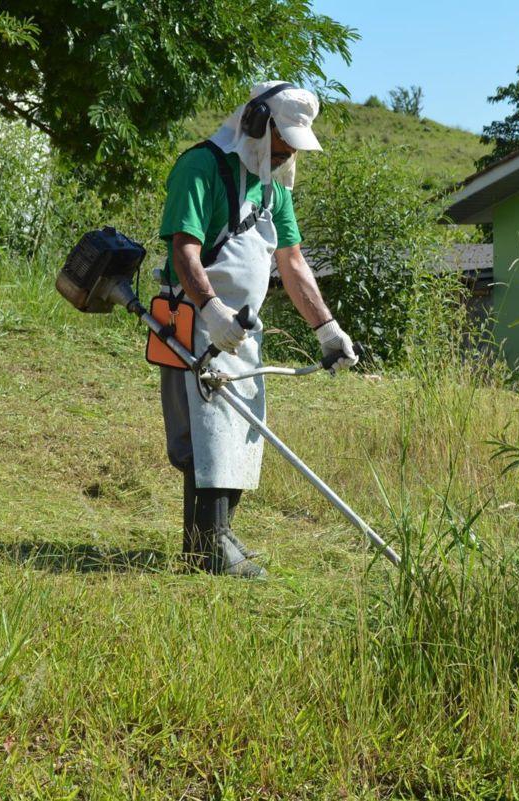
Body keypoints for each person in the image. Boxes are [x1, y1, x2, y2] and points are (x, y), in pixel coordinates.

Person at [157, 81, 357, 579]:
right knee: (206, 437)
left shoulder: (274, 183)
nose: (288, 149)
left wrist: (327, 329)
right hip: (197, 324)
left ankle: (213, 540)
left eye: (294, 141)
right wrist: (211, 310)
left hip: (244, 332)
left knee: (242, 434)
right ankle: (208, 548)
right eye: (282, 137)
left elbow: (290, 261)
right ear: (253, 122)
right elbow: (185, 249)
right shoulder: (201, 166)